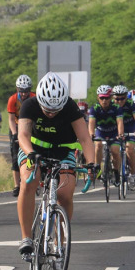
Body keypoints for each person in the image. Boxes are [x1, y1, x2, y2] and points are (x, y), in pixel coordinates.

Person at [17, 72, 94, 258]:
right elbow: (23, 136)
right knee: (29, 181)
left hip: (62, 150)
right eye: (47, 110)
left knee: (65, 193)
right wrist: (31, 154)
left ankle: (60, 239)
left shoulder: (70, 107)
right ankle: (26, 237)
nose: (51, 114)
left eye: (55, 110)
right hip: (33, 148)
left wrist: (92, 163)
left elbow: (84, 137)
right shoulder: (30, 105)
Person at [88, 85, 124, 184]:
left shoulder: (116, 108)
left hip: (114, 132)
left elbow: (120, 122)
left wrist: (120, 134)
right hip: (100, 131)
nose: (104, 100)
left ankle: (116, 171)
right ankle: (98, 168)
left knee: (115, 151)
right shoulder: (94, 109)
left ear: (111, 97)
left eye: (107, 98)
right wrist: (91, 134)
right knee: (98, 145)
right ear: (98, 98)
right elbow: (91, 124)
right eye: (102, 98)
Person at [7, 74, 35, 197]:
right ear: (17, 89)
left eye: (26, 91)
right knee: (14, 156)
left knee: (35, 150)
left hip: (31, 125)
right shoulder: (12, 99)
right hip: (17, 126)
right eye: (21, 91)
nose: (24, 94)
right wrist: (14, 134)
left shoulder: (35, 97)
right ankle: (17, 185)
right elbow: (11, 119)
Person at [112, 84, 135, 187]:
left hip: (129, 128)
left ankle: (132, 175)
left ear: (126, 96)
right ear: (113, 97)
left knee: (130, 150)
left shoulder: (131, 104)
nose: (120, 101)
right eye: (117, 98)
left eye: (122, 98)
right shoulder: (111, 105)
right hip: (116, 129)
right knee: (113, 150)